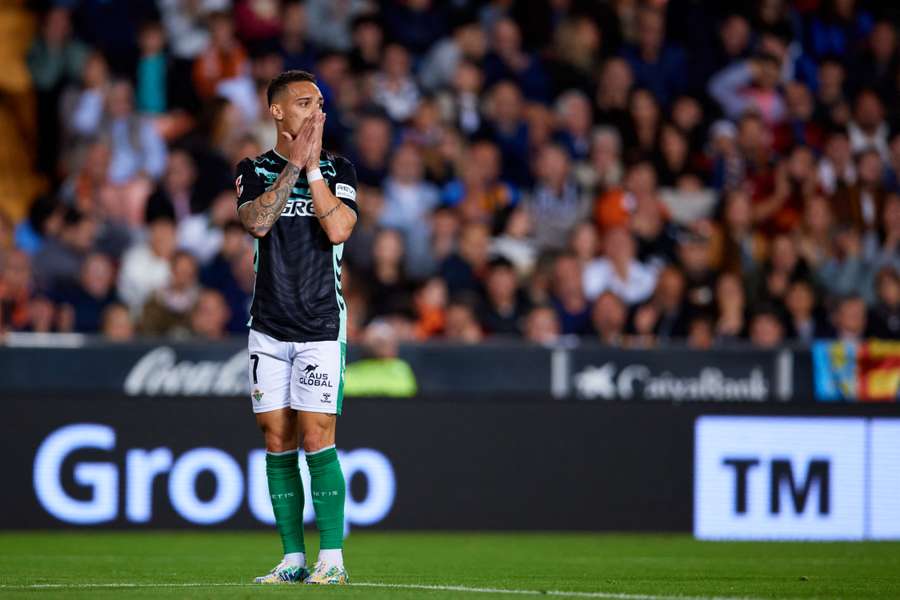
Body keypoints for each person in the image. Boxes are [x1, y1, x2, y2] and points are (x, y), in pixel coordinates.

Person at [235, 70, 357, 585]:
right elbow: (257, 222)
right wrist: (292, 168)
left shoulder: (340, 167)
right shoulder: (253, 169)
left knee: (316, 437)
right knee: (277, 440)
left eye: (321, 103)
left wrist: (312, 171)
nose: (316, 112)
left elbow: (339, 227)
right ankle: (291, 559)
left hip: (321, 324)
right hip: (268, 325)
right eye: (305, 103)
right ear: (277, 112)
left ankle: (332, 559)